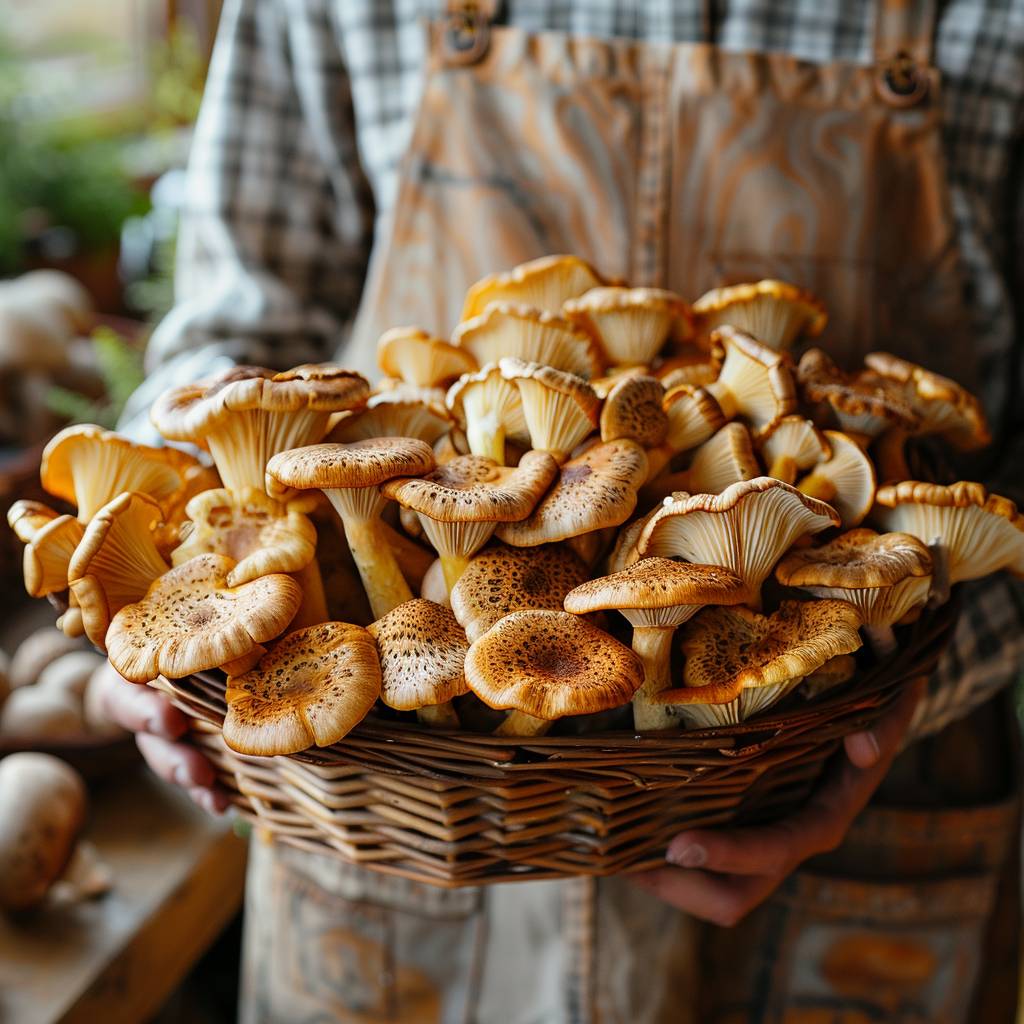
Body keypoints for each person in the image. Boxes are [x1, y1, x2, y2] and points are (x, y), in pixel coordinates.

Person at [97, 2, 1024, 1020]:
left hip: (857, 832)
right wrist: (177, 640)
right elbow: (231, 352)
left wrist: (891, 686)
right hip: (401, 839)